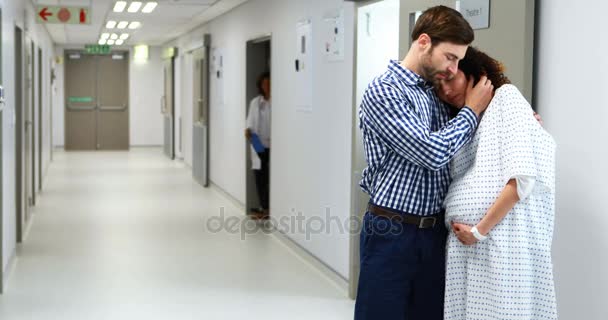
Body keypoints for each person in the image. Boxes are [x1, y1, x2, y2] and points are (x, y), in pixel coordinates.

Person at [355, 6, 494, 320]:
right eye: (450, 56)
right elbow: (432, 153)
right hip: (392, 231)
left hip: (435, 234)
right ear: (423, 42)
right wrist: (472, 111)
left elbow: (465, 142)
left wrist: (516, 121)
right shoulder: (384, 92)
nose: (453, 67)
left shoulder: (435, 92)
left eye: (458, 60)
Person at [434, 47, 558, 319]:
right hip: (467, 248)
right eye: (438, 84)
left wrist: (479, 230)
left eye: (450, 79)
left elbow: (522, 178)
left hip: (500, 244)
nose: (444, 90)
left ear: (478, 77)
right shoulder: (464, 119)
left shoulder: (506, 99)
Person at [245, 72, 271, 220]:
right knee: (260, 178)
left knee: (272, 178)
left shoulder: (277, 101)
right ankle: (264, 208)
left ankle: (273, 208)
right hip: (258, 144)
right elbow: (249, 125)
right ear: (260, 86)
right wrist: (256, 146)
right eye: (264, 84)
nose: (267, 87)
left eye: (269, 84)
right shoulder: (255, 102)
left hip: (275, 146)